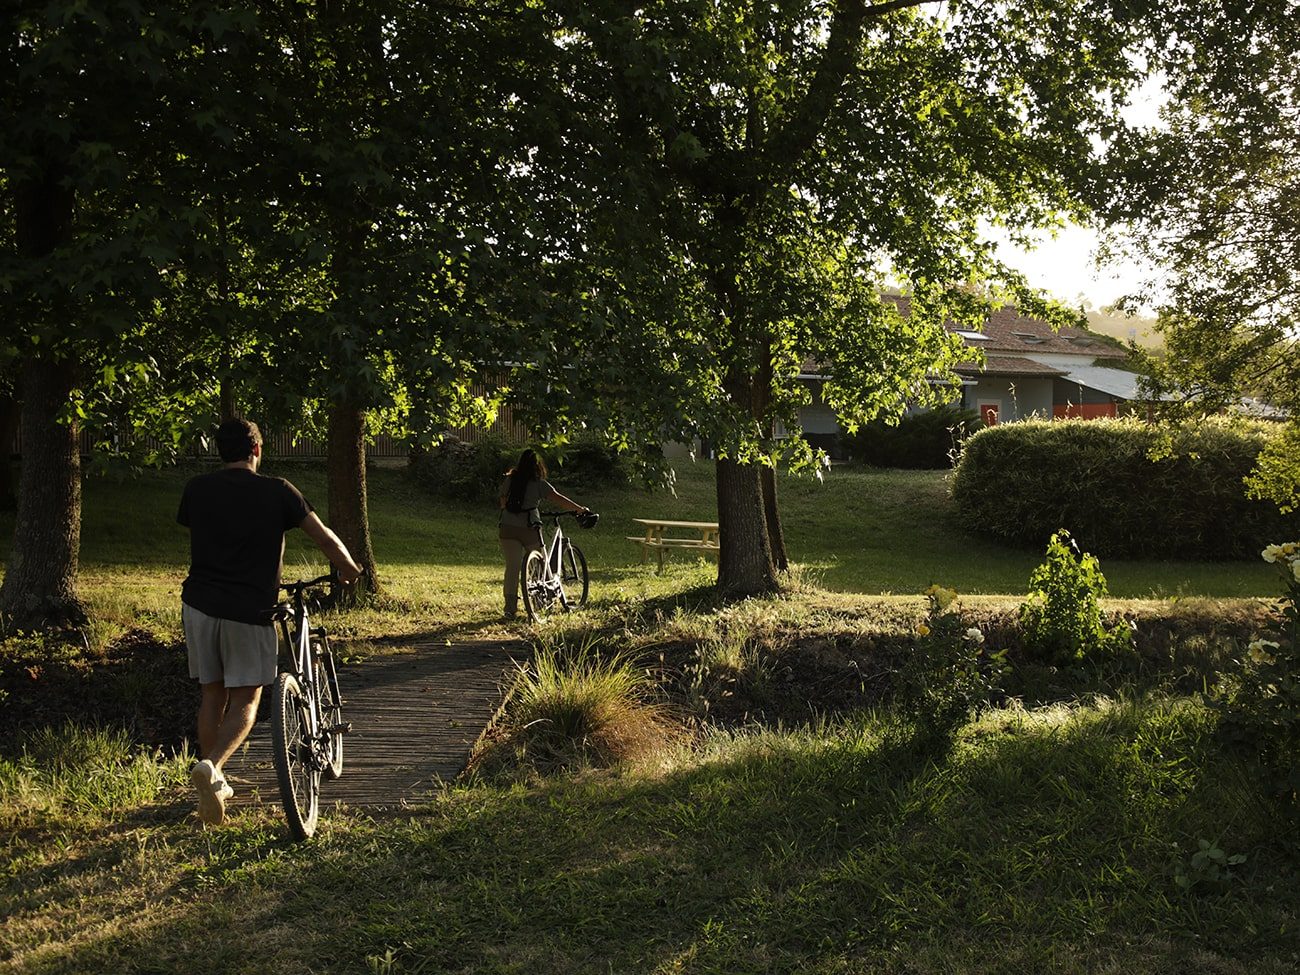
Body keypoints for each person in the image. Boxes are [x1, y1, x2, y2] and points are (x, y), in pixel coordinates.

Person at [177, 417, 362, 826]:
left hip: (200, 605)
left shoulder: (197, 489)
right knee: (247, 698)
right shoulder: (278, 490)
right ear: (256, 450)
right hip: (249, 609)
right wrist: (349, 569)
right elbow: (323, 537)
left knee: (212, 694)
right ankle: (211, 767)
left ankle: (216, 778)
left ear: (219, 451)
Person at [498, 448, 589, 619]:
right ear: (537, 464)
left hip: (508, 527)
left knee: (513, 567)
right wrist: (580, 509)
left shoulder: (510, 479)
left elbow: (502, 500)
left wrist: (510, 510)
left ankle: (510, 608)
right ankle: (540, 601)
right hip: (529, 527)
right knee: (540, 562)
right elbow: (559, 499)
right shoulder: (539, 483)